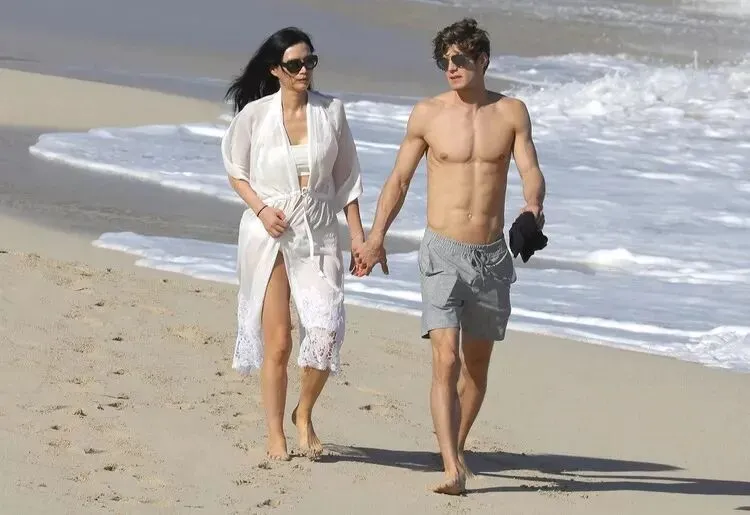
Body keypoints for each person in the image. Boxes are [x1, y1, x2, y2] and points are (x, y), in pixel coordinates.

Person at [354, 18, 546, 494]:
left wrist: (532, 210)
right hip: (442, 251)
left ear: (483, 60)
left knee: (476, 368)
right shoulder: (428, 114)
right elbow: (399, 180)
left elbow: (530, 170)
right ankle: (451, 469)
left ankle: (455, 447)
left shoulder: (512, 112)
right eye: (445, 61)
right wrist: (376, 237)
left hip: (491, 256)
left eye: (460, 59)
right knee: (445, 359)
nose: (451, 67)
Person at [221, 27, 366, 461]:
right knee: (280, 343)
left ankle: (303, 413)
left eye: (309, 62)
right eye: (294, 64)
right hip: (270, 233)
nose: (304, 70)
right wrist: (262, 210)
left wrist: (359, 237)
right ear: (275, 70)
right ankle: (275, 434)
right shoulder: (255, 116)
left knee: (325, 332)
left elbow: (347, 180)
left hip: (318, 231)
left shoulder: (331, 111)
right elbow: (236, 171)